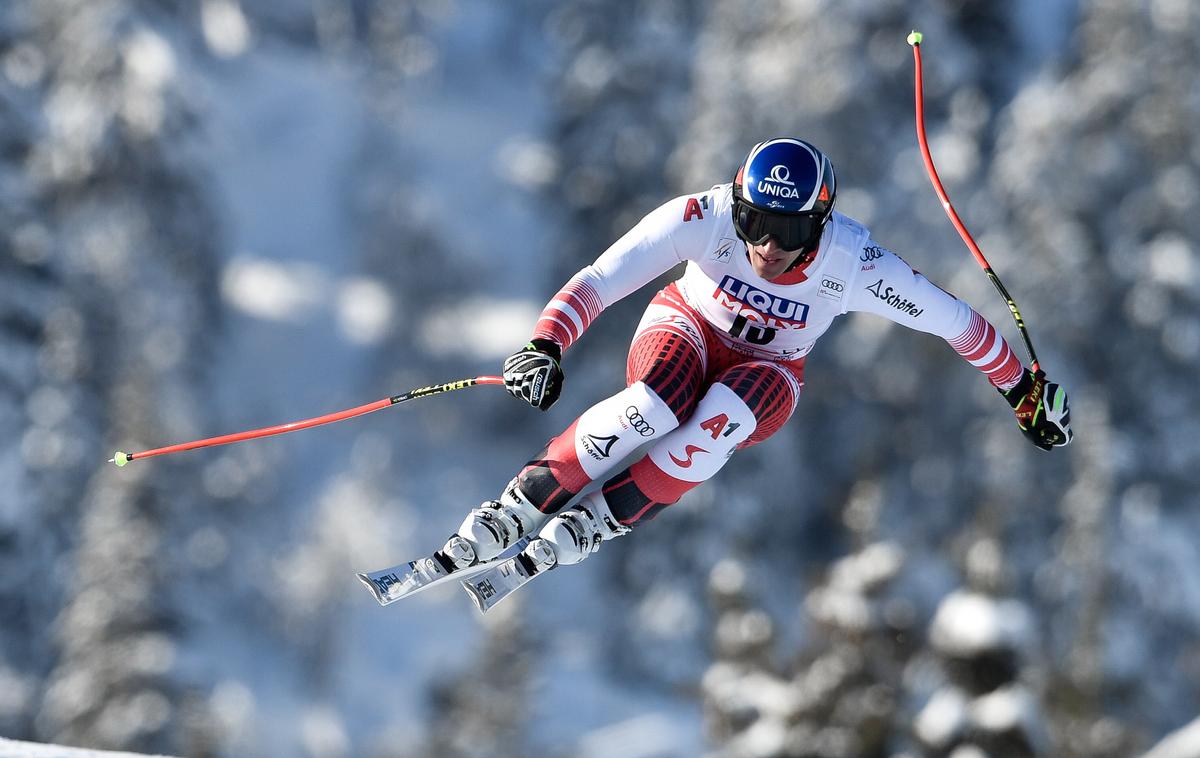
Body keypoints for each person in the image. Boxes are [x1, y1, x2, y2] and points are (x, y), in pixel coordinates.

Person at [437, 137, 1073, 576]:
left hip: (769, 371)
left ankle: (597, 522)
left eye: (789, 230)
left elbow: (955, 322)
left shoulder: (853, 263)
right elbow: (603, 278)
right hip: (686, 327)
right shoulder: (704, 217)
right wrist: (545, 342)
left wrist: (1021, 389)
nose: (767, 245)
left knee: (719, 420)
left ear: (820, 223)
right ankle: (520, 503)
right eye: (754, 222)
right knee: (655, 406)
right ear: (735, 204)